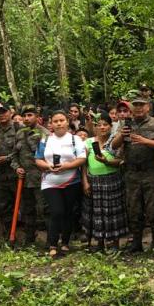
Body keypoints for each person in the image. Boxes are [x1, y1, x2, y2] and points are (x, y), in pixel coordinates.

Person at [112, 93, 154, 253]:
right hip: (132, 173)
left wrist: (145, 141)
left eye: (141, 105)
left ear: (148, 107)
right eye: (135, 106)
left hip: (152, 172)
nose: (138, 108)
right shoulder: (125, 125)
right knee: (133, 209)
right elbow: (114, 146)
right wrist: (123, 134)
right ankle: (136, 242)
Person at [35, 110, 87, 258]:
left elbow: (82, 158)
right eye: (55, 121)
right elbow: (38, 159)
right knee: (56, 212)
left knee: (68, 212)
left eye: (61, 120)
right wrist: (47, 166)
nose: (59, 123)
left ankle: (65, 242)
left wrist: (66, 166)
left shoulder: (75, 139)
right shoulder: (45, 139)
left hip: (72, 180)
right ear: (51, 123)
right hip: (50, 181)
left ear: (67, 122)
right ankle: (52, 243)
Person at [82, 112, 127, 252]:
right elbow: (83, 164)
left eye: (105, 125)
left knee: (113, 212)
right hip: (93, 180)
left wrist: (107, 161)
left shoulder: (116, 141)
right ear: (95, 127)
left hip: (112, 179)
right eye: (99, 125)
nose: (102, 127)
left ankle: (115, 243)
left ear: (110, 126)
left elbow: (121, 161)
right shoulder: (89, 142)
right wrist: (85, 182)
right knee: (97, 213)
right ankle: (99, 243)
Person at [12, 104, 48, 248]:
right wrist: (17, 167)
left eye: (30, 115)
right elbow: (14, 155)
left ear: (37, 117)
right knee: (28, 210)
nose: (27, 119)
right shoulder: (19, 133)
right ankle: (29, 239)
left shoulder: (45, 133)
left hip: (41, 178)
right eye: (24, 116)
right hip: (24, 180)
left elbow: (48, 157)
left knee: (44, 210)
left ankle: (49, 240)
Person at [0, 102, 23, 239]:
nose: (1, 115)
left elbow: (23, 150)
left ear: (10, 112)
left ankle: (26, 235)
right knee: (3, 204)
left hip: (17, 172)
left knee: (23, 204)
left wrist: (8, 158)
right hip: (0, 175)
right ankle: (8, 233)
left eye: (4, 112)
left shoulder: (19, 128)